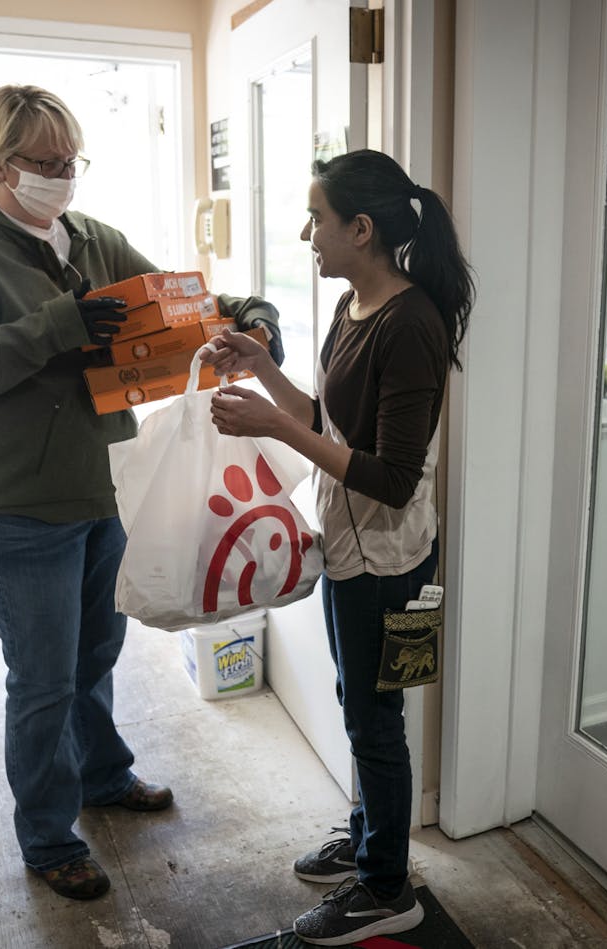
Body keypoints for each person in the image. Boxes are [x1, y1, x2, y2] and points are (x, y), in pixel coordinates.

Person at [0, 85, 279, 901]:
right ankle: (46, 836)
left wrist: (245, 310)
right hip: (12, 506)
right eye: (45, 162)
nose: (62, 175)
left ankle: (104, 774)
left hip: (100, 491)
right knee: (41, 678)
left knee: (95, 656)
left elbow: (178, 302)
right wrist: (57, 328)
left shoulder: (93, 240)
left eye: (71, 160)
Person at [201, 148, 473, 945]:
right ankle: (367, 840)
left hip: (388, 560)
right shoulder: (352, 304)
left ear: (361, 228)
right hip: (348, 550)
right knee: (362, 707)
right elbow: (331, 422)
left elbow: (391, 476)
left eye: (316, 218)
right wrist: (263, 375)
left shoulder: (412, 322)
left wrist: (274, 426)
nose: (306, 233)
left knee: (374, 721)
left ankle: (387, 886)